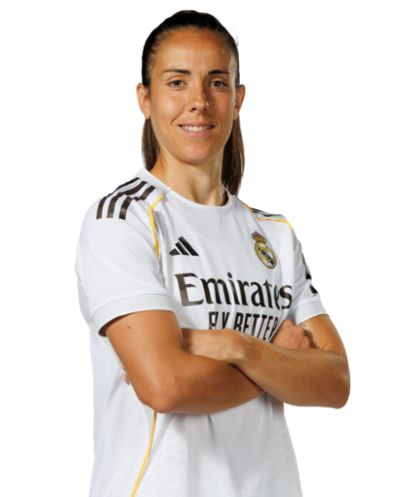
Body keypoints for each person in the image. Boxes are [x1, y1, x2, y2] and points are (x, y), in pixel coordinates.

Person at [75, 9, 350, 497]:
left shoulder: (274, 235)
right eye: (177, 82)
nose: (198, 101)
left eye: (216, 83)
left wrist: (238, 347)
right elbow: (165, 386)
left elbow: (335, 381)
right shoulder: (122, 220)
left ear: (238, 99)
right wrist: (280, 366)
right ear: (145, 98)